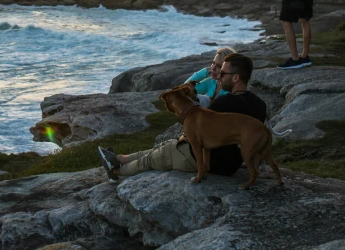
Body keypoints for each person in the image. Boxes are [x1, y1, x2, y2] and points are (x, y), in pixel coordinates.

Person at [98, 53, 267, 182]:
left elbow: (199, 135)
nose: (218, 76)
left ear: (236, 77)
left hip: (200, 160)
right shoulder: (260, 105)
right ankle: (120, 158)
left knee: (152, 159)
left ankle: (115, 172)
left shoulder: (223, 103)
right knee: (166, 145)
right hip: (230, 166)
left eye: (222, 73)